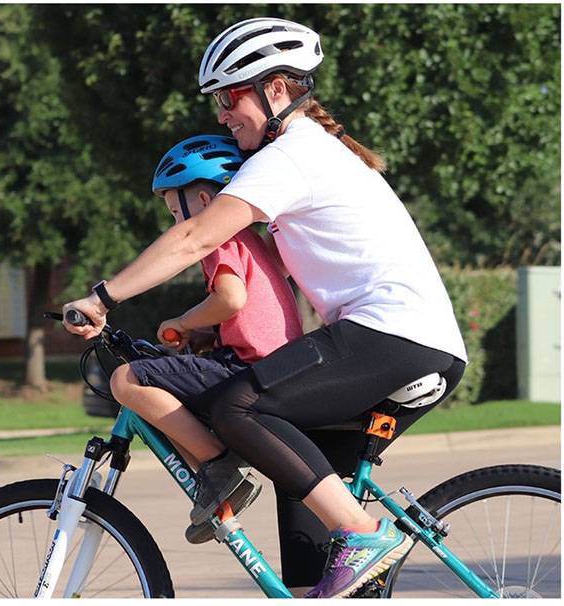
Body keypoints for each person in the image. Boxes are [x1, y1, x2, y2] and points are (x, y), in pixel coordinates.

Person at [65, 17, 466, 598]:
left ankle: (361, 531)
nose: (223, 115)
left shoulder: (292, 156)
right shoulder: (308, 155)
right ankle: (321, 579)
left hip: (391, 336)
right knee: (294, 482)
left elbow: (195, 238)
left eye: (230, 98)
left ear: (276, 89)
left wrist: (102, 296)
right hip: (400, 342)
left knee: (240, 405)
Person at [110, 134, 304, 545]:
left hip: (249, 369)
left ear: (201, 202)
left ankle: (219, 468)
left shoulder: (219, 238)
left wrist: (180, 320)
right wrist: (200, 333)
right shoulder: (252, 241)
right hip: (272, 365)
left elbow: (232, 299)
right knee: (175, 410)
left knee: (126, 380)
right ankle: (217, 493)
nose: (175, 225)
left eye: (173, 211)